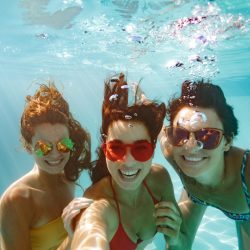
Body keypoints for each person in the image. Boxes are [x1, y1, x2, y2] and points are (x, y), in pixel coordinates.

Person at [63, 73, 187, 249]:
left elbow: (178, 246)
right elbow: (92, 236)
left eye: (141, 149)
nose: (128, 161)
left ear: (152, 151)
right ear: (105, 150)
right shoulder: (98, 203)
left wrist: (175, 240)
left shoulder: (159, 180)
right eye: (116, 148)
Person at [0, 82, 92, 250]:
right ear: (29, 146)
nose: (56, 154)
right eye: (44, 147)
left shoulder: (67, 178)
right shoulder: (18, 199)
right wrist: (72, 236)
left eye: (63, 144)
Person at [160, 79, 250, 249]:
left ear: (227, 141)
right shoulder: (171, 148)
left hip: (246, 209)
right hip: (196, 194)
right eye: (180, 134)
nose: (191, 146)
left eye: (207, 136)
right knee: (174, 245)